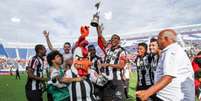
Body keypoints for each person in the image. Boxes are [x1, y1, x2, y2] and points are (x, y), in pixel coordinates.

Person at [136, 29, 195, 101]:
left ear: (166, 39)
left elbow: (168, 77)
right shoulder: (170, 50)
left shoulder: (172, 51)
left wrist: (147, 93)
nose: (157, 41)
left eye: (159, 38)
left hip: (173, 98)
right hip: (168, 97)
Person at [96, 25, 127, 101]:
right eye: (112, 38)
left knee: (120, 99)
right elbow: (100, 36)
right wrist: (96, 26)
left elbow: (121, 66)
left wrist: (109, 64)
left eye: (116, 38)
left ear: (119, 41)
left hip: (116, 80)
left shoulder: (122, 51)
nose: (113, 40)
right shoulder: (108, 49)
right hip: (106, 80)